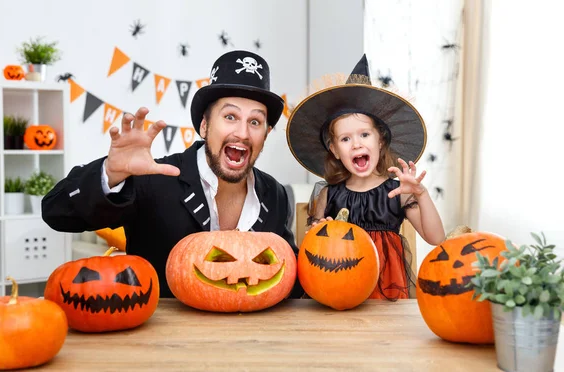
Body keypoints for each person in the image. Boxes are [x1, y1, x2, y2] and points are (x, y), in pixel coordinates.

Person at [42, 50, 303, 299]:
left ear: (266, 135)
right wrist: (110, 173)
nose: (243, 133)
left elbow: (287, 275)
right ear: (204, 125)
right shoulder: (154, 178)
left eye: (255, 122)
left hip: (250, 337)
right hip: (159, 335)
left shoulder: (276, 194)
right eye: (230, 116)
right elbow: (55, 212)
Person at [286, 54, 445, 300]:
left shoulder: (397, 193)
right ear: (335, 151)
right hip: (338, 291)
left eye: (364, 135)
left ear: (380, 140)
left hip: (386, 297)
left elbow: (436, 238)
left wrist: (420, 194)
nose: (356, 144)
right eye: (345, 139)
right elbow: (313, 245)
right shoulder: (329, 193)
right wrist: (319, 228)